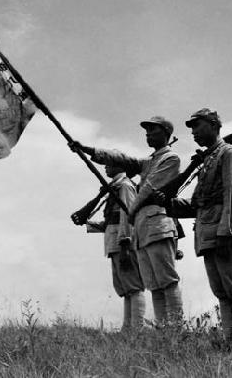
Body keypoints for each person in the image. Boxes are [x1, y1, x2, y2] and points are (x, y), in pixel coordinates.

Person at [70, 117, 184, 325]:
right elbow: (121, 158)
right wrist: (88, 150)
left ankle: (176, 327)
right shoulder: (149, 161)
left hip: (159, 224)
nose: (148, 134)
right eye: (147, 130)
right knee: (154, 284)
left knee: (167, 280)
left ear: (166, 133)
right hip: (143, 227)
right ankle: (164, 331)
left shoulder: (171, 158)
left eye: (153, 130)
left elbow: (149, 187)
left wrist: (131, 211)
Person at [165, 109, 232, 342]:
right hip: (207, 233)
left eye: (198, 125)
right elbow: (199, 203)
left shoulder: (229, 153)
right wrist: (168, 203)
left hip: (223, 232)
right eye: (192, 127)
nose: (193, 132)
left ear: (214, 125)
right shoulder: (208, 160)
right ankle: (229, 342)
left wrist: (227, 231)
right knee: (222, 293)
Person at [72, 163, 145, 329]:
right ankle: (128, 329)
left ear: (120, 166)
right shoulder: (115, 187)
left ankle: (137, 329)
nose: (106, 167)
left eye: (109, 163)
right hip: (115, 242)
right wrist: (88, 224)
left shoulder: (124, 186)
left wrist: (125, 244)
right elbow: (111, 221)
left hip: (123, 243)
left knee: (133, 286)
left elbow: (127, 216)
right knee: (126, 288)